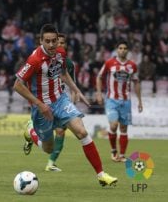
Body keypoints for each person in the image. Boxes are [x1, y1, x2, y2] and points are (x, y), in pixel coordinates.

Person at [13, 24, 118, 187]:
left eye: (54, 41)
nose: (51, 44)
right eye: (47, 41)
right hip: (42, 108)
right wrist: (40, 105)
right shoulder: (34, 60)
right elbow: (17, 85)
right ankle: (30, 131)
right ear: (41, 41)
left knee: (82, 132)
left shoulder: (60, 53)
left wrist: (77, 90)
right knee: (48, 148)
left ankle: (101, 175)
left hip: (61, 100)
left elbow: (63, 73)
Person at [23, 33, 76, 172]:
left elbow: (71, 83)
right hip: (44, 102)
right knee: (50, 140)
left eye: (62, 43)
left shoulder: (67, 62)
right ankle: (31, 132)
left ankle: (51, 163)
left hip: (60, 101)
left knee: (60, 132)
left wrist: (73, 99)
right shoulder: (38, 59)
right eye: (58, 42)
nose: (59, 45)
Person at [96, 40, 143, 162]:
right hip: (112, 100)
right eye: (120, 48)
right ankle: (113, 150)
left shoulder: (132, 65)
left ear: (128, 51)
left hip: (126, 101)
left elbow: (136, 82)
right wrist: (99, 93)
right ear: (117, 50)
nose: (122, 50)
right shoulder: (109, 63)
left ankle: (122, 155)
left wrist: (140, 100)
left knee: (123, 129)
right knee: (114, 125)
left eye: (125, 48)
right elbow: (99, 77)